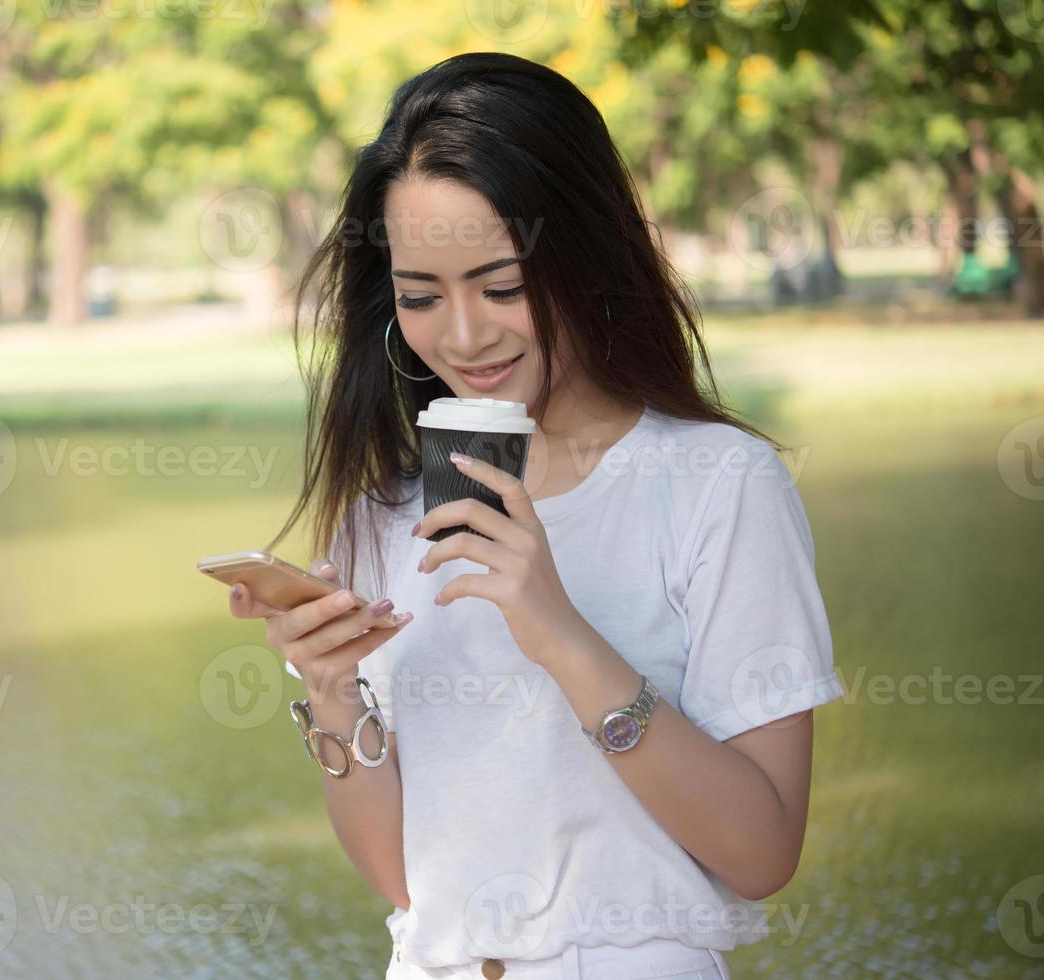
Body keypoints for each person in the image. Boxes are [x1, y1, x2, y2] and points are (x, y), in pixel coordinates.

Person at [229, 52, 844, 980]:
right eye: (421, 297)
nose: (464, 336)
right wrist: (331, 692)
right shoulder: (382, 511)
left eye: (501, 286)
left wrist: (558, 631)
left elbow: (761, 855)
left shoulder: (719, 484)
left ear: (584, 261)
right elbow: (405, 880)